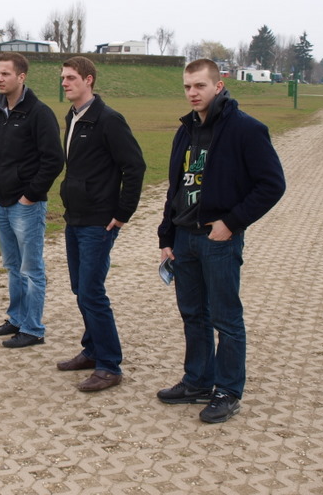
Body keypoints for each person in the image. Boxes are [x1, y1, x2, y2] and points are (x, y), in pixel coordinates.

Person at [157, 58, 285, 423]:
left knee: (225, 318)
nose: (193, 93)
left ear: (218, 86)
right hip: (184, 238)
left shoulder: (246, 129)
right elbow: (176, 188)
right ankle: (198, 381)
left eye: (200, 85)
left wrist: (231, 222)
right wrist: (166, 236)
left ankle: (228, 390)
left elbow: (272, 185)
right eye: (187, 87)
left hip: (218, 240)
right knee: (193, 314)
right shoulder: (185, 130)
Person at [56, 56, 146, 392]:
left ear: (89, 80)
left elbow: (134, 167)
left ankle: (109, 365)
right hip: (75, 217)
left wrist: (122, 213)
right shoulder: (73, 116)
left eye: (71, 78)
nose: (65, 83)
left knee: (92, 291)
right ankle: (92, 350)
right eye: (63, 78)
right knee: (80, 288)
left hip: (99, 221)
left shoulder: (108, 120)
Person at [0, 52, 65, 348]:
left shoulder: (39, 113)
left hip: (26, 206)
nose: (0, 79)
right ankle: (17, 318)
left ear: (21, 77)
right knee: (13, 266)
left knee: (31, 270)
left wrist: (30, 195)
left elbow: (54, 159)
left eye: (5, 74)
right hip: (0, 202)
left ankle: (33, 329)